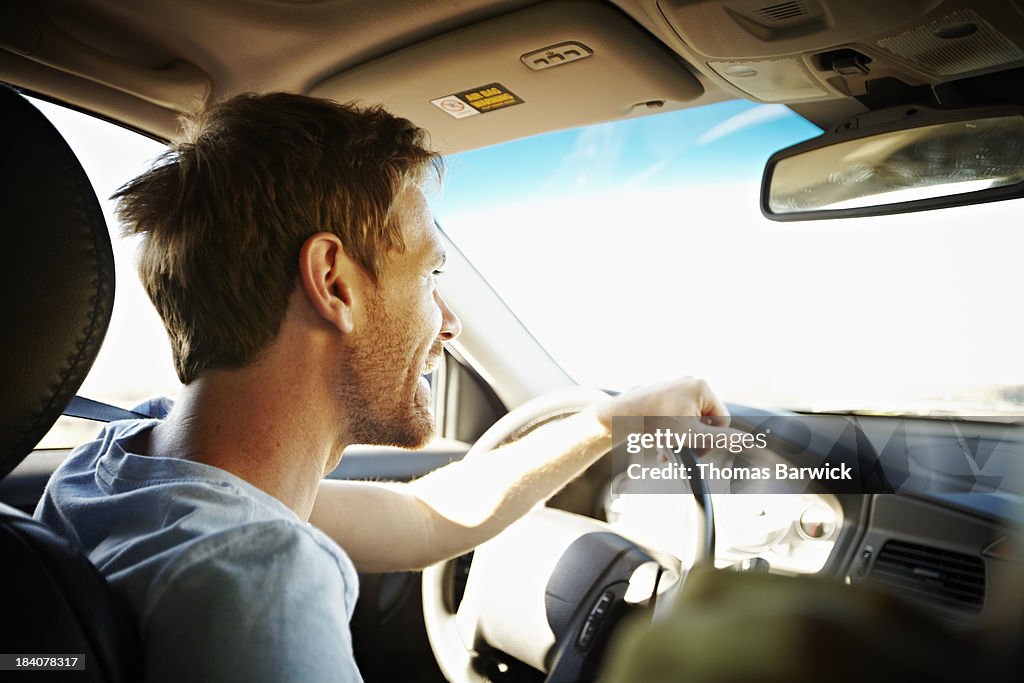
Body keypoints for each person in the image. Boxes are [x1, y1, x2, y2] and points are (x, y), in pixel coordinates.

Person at [34, 92, 727, 682]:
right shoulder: (258, 576)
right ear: (334, 282)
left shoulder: (116, 470)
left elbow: (430, 517)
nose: (449, 322)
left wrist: (607, 421)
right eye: (430, 277)